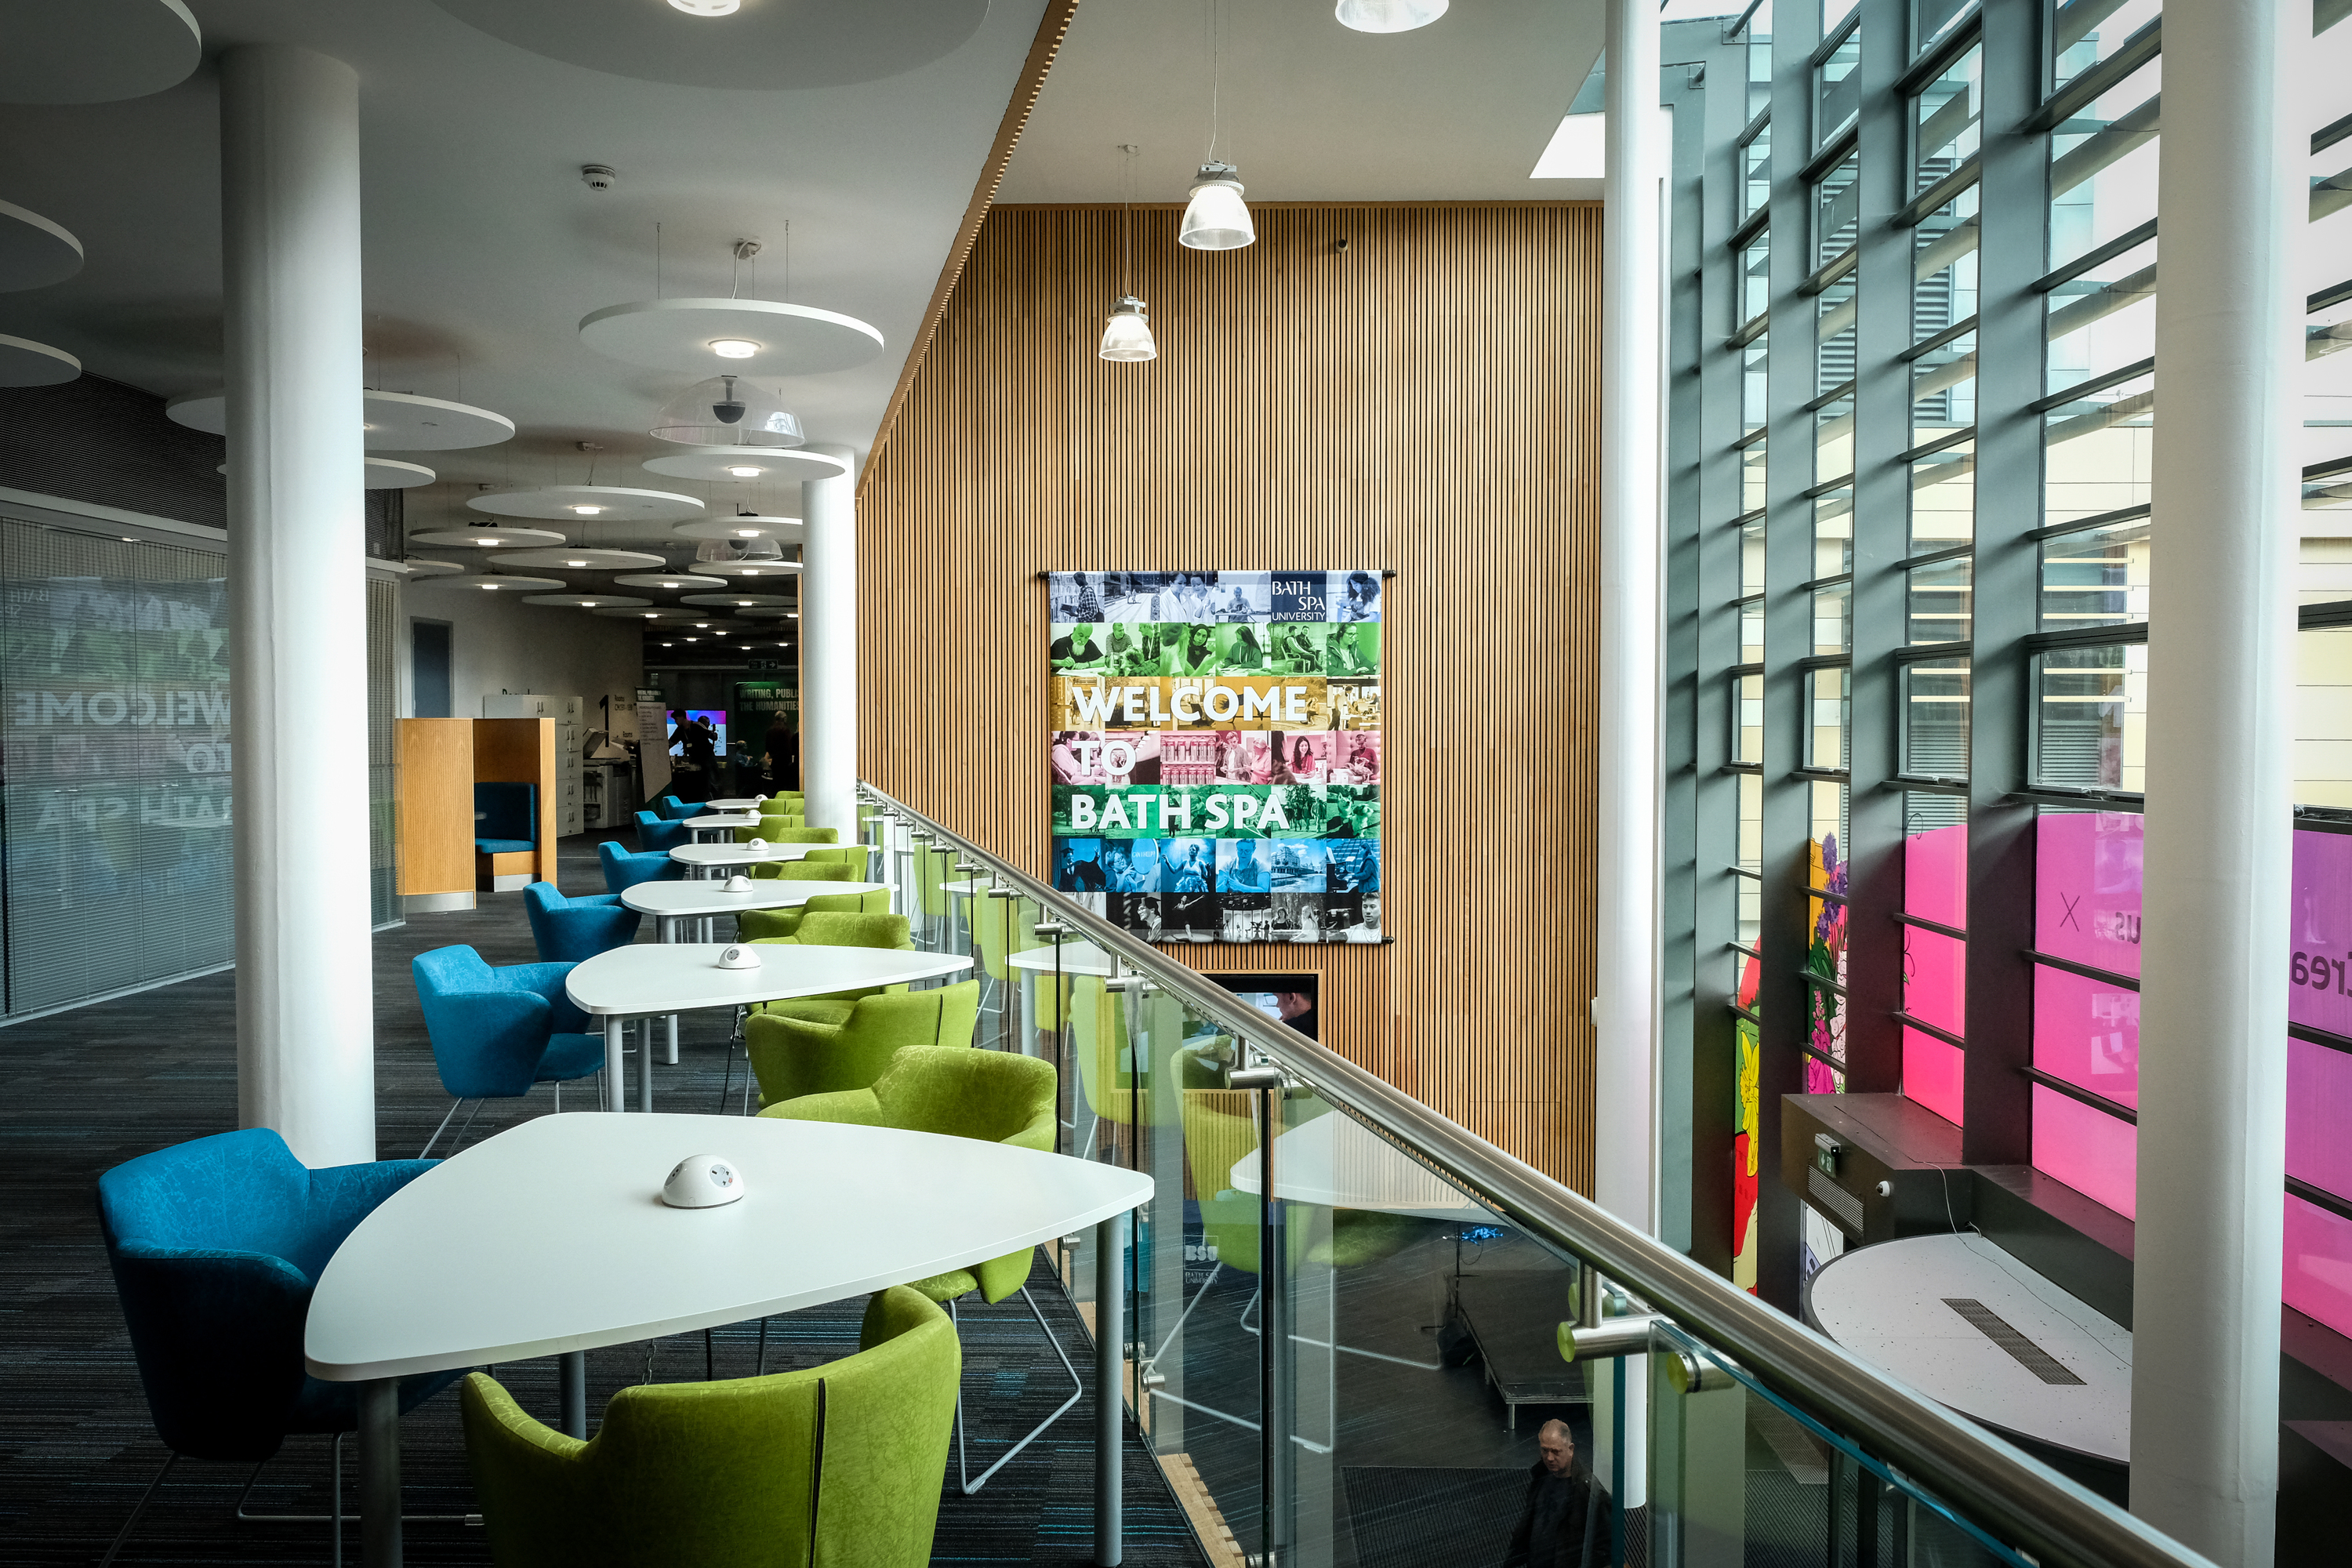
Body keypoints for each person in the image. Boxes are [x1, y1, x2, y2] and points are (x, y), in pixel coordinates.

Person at [1503, 1421, 1611, 1568]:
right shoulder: (1541, 1473)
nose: (1549, 1458)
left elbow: (1605, 1547)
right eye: (1545, 1450)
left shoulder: (1589, 1492)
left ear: (1571, 1449)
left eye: (1556, 1451)